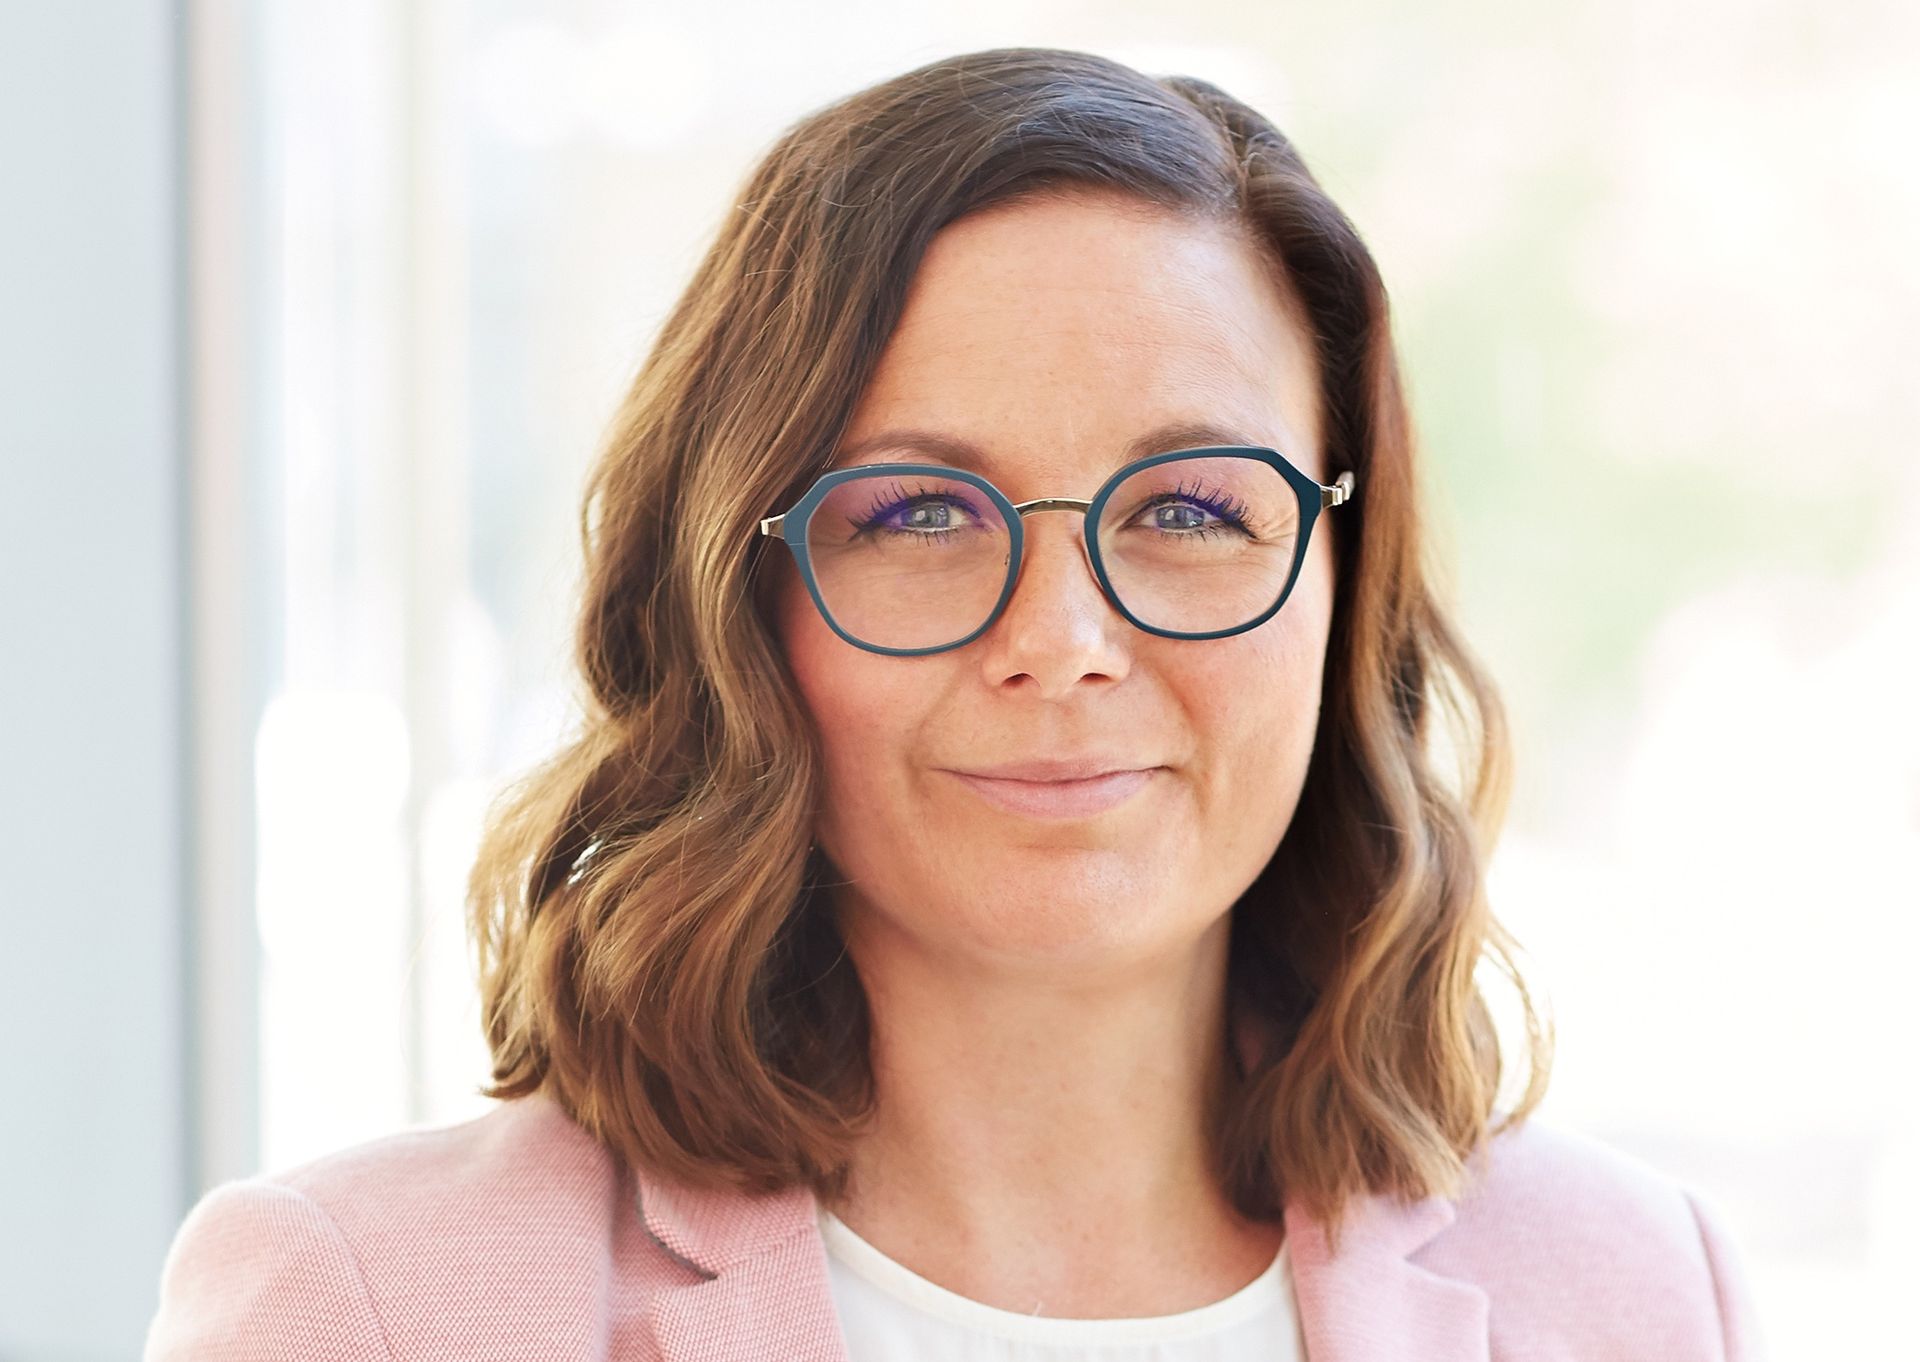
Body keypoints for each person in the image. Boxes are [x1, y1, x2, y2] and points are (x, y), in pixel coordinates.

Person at [144, 45, 1769, 1361]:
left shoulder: (1642, 1295)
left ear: (1347, 590)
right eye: (919, 514)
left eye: (1192, 508)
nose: (1062, 641)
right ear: (738, 602)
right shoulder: (358, 1308)